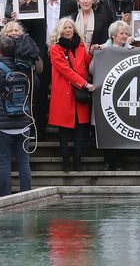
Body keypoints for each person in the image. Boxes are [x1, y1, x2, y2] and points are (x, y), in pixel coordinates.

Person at [49, 18, 94, 172]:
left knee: (79, 129)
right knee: (64, 130)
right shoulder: (56, 48)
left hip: (78, 92)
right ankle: (65, 160)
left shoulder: (81, 46)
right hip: (65, 92)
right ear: (60, 30)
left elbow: (87, 63)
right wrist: (84, 83)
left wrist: (93, 51)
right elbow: (65, 70)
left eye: (70, 27)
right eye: (65, 28)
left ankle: (77, 159)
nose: (68, 30)